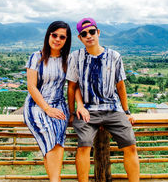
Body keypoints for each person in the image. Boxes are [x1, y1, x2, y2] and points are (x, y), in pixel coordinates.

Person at [67, 17, 140, 182]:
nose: (89, 36)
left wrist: (127, 111)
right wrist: (73, 111)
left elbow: (120, 86)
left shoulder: (114, 56)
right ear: (80, 38)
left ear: (98, 32)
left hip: (113, 108)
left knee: (130, 144)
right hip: (87, 110)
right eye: (84, 33)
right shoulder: (75, 57)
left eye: (92, 31)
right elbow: (71, 86)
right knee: (84, 145)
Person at [23, 21, 72, 182]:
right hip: (36, 105)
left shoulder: (68, 59)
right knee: (49, 133)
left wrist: (72, 110)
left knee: (58, 137)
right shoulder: (36, 57)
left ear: (66, 40)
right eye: (54, 35)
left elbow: (74, 87)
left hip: (59, 104)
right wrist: (47, 108)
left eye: (62, 37)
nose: (57, 39)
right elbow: (31, 87)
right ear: (48, 35)